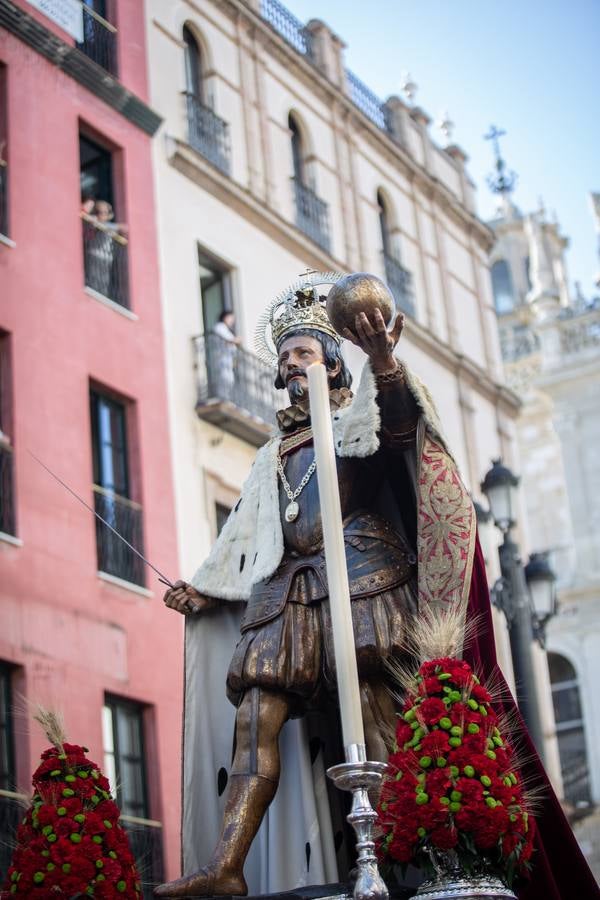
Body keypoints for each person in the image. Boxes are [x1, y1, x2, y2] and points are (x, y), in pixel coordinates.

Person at [156, 274, 598, 900]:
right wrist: (203, 590)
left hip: (364, 578)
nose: (290, 362)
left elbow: (398, 433)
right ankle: (227, 864)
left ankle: (403, 871)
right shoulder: (271, 456)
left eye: (303, 352)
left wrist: (385, 364)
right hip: (287, 589)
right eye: (284, 356)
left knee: (374, 717)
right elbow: (242, 540)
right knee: (254, 720)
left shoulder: (355, 417)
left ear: (333, 363)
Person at [211, 310, 241, 397]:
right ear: (225, 317)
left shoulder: (225, 329)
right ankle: (222, 398)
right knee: (225, 379)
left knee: (229, 380)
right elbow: (228, 340)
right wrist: (236, 340)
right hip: (222, 358)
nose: (232, 321)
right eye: (231, 318)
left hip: (227, 359)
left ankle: (225, 398)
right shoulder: (219, 327)